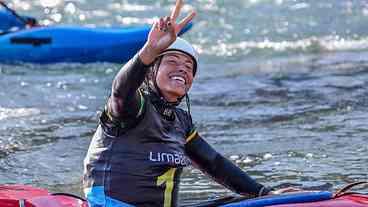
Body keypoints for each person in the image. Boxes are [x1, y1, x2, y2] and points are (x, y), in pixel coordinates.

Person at [83, 1, 295, 206]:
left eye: (188, 67)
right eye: (172, 62)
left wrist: (264, 193)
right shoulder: (133, 107)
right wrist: (150, 50)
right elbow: (120, 90)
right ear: (151, 73)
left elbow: (214, 164)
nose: (182, 69)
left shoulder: (181, 122)